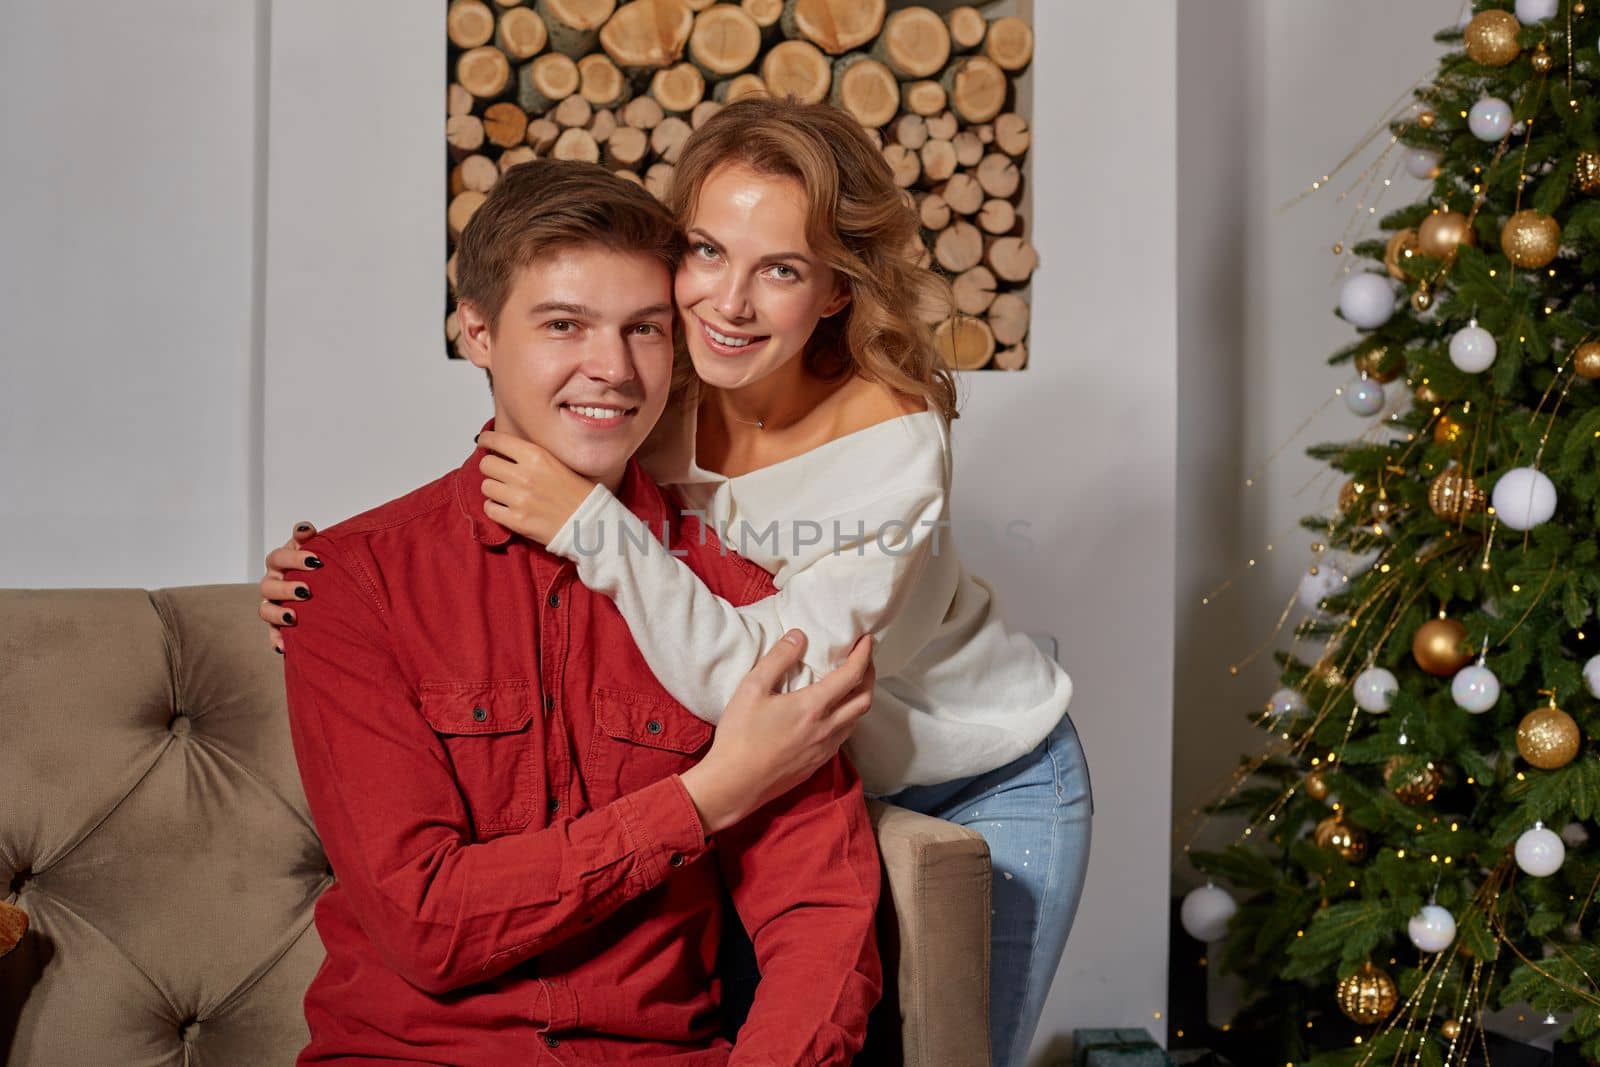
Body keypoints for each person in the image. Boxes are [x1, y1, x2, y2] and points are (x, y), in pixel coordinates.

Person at [264, 97, 1091, 1067]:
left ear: (832, 288)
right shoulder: (665, 382)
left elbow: (807, 880)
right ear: (477, 334)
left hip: (962, 755)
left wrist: (716, 782)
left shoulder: (859, 472)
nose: (613, 367)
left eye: (779, 267)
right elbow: (526, 452)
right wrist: (339, 571)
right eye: (705, 254)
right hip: (767, 758)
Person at [276, 158, 883, 1065]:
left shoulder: (739, 600)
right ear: (476, 331)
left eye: (645, 329)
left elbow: (821, 914)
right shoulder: (351, 582)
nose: (612, 368)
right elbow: (426, 922)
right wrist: (704, 798)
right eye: (565, 324)